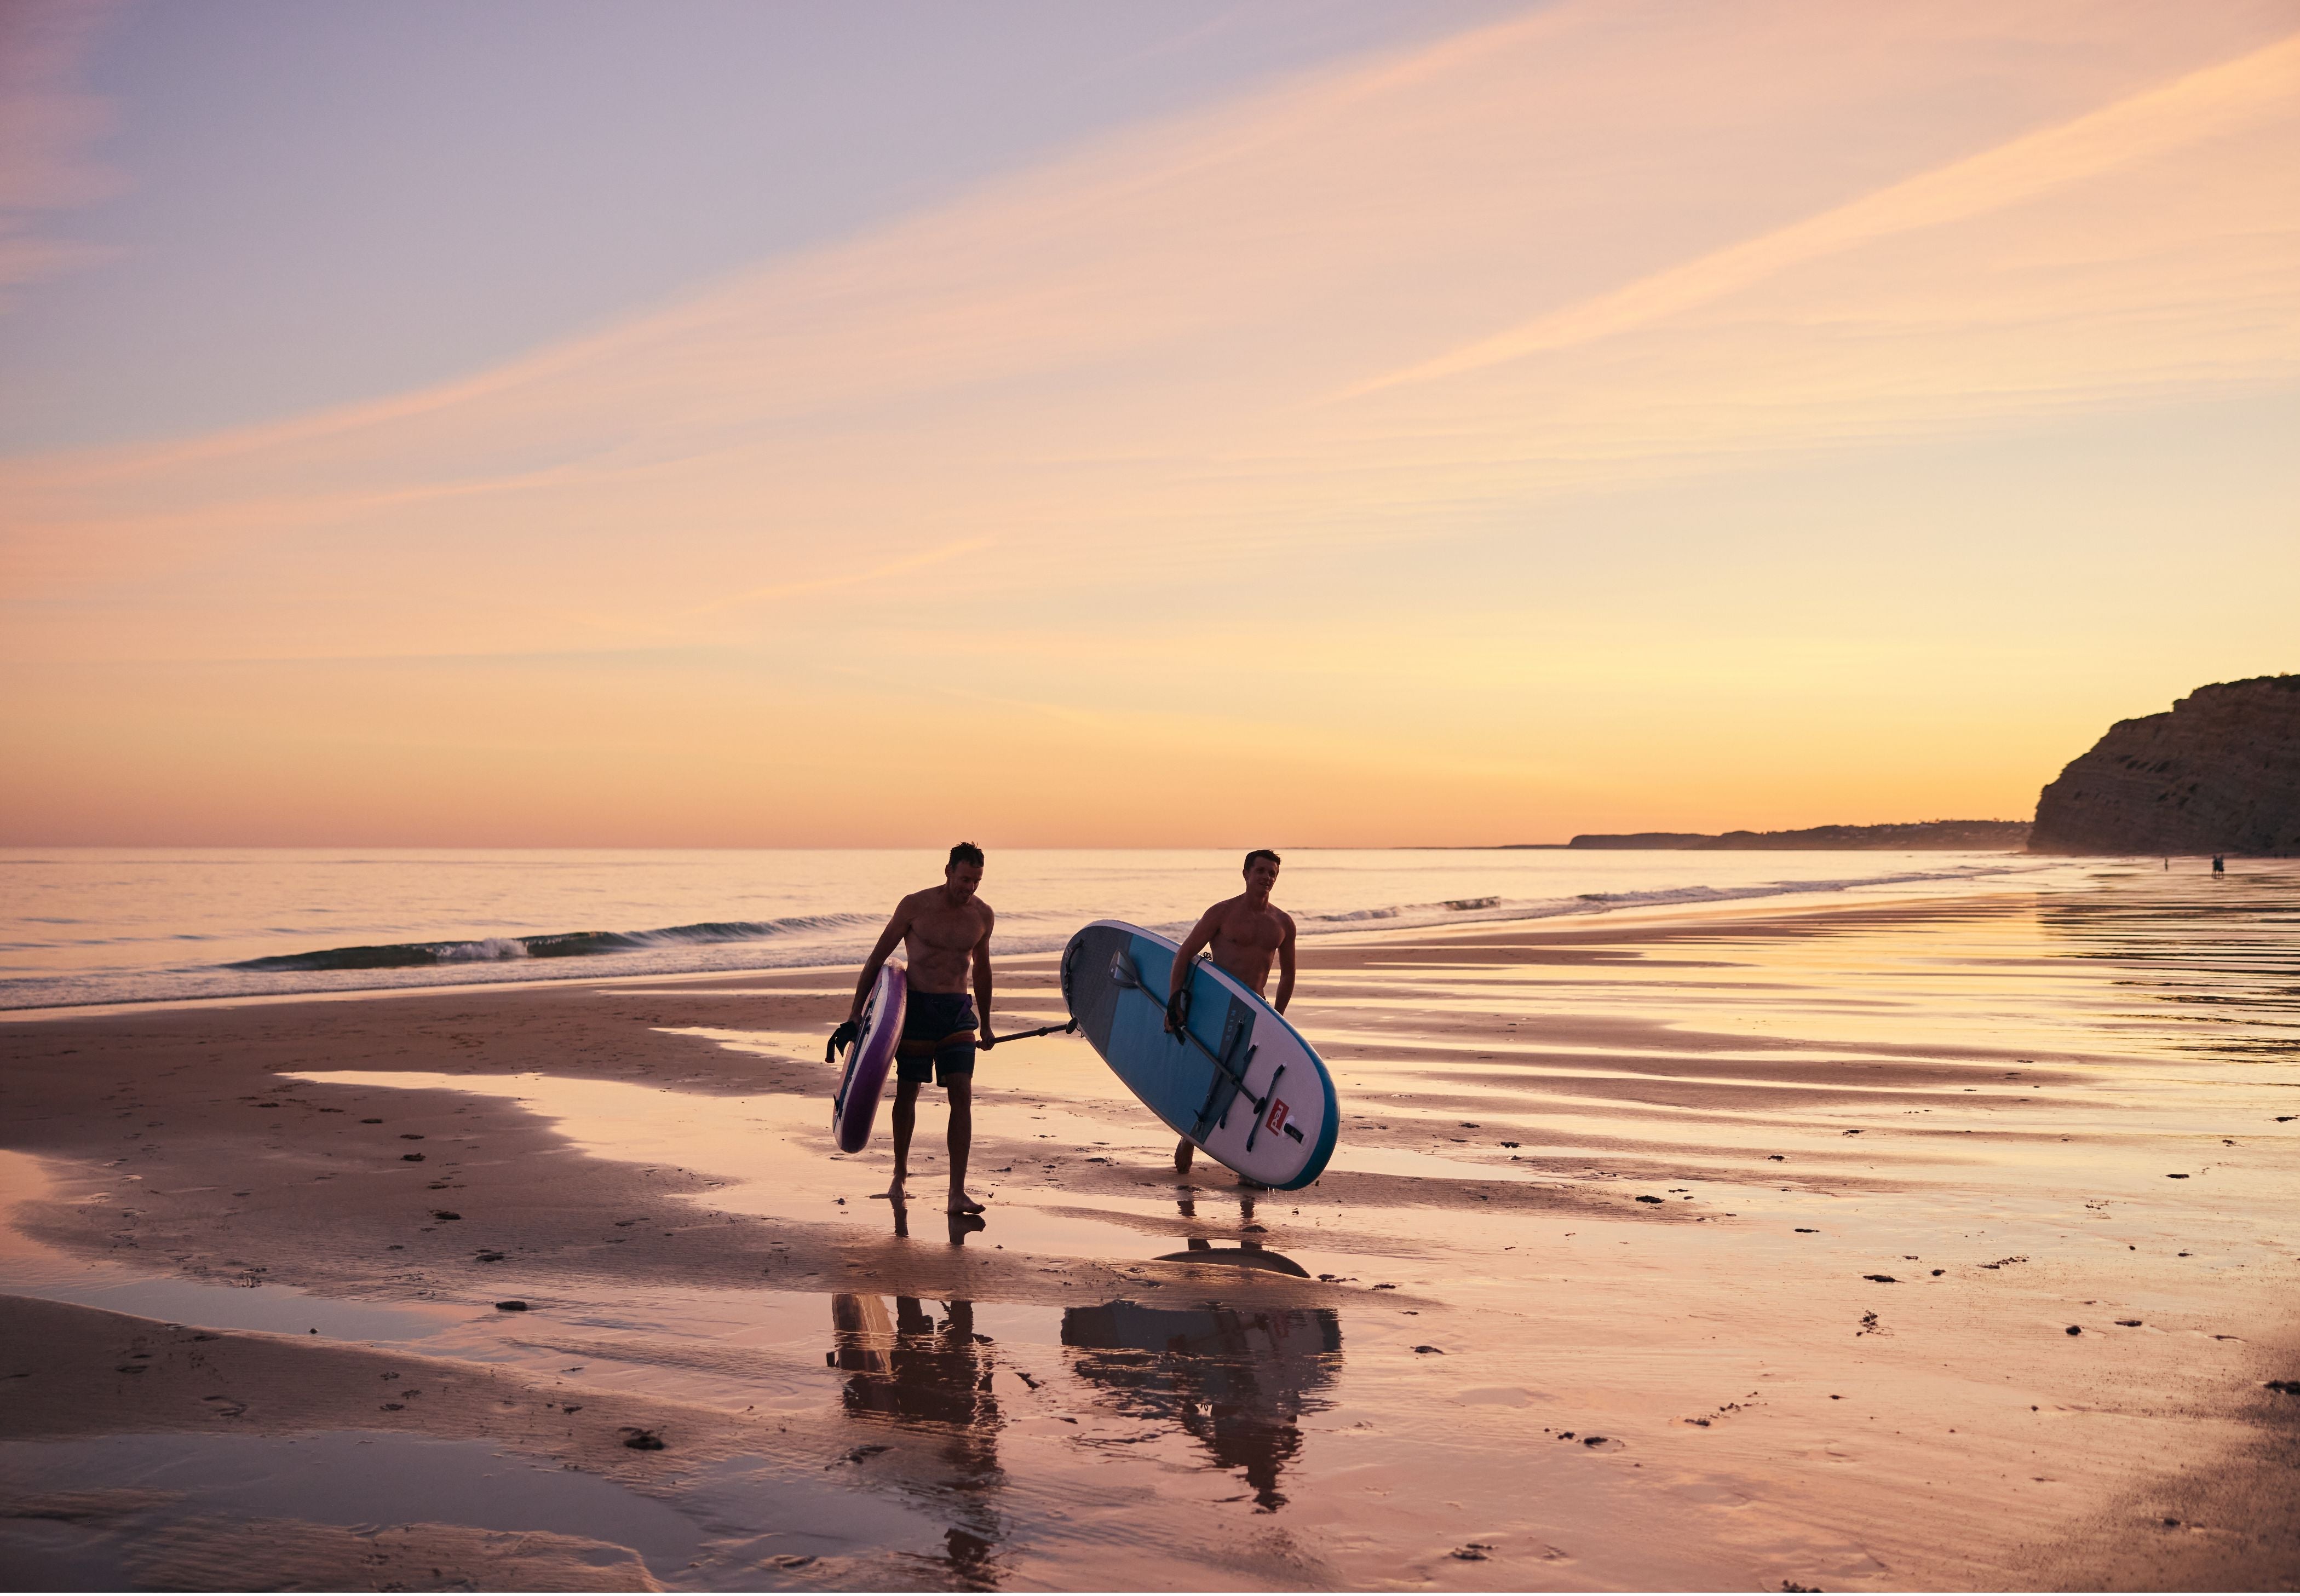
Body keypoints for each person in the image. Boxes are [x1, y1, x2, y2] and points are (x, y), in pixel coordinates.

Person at [838, 842, 997, 1214]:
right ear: (947, 871)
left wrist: (987, 1023)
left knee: (962, 1095)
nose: (969, 888)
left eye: (976, 881)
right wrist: (855, 1012)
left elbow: (983, 970)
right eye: (964, 879)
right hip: (917, 1010)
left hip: (958, 1012)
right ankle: (900, 1174)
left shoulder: (983, 916)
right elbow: (877, 960)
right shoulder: (915, 906)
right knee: (908, 1092)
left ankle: (957, 1191)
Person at [1166, 849, 1296, 1177]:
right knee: (1210, 1076)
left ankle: (1244, 1161)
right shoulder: (1221, 914)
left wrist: (1278, 1018)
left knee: (1250, 1082)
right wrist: (1174, 1002)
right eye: (1261, 871)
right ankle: (1190, 1137)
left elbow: (1289, 974)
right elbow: (1183, 956)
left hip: (1256, 1010)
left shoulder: (1282, 923)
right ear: (1246, 874)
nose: (1267, 877)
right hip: (1217, 1008)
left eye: (1273, 873)